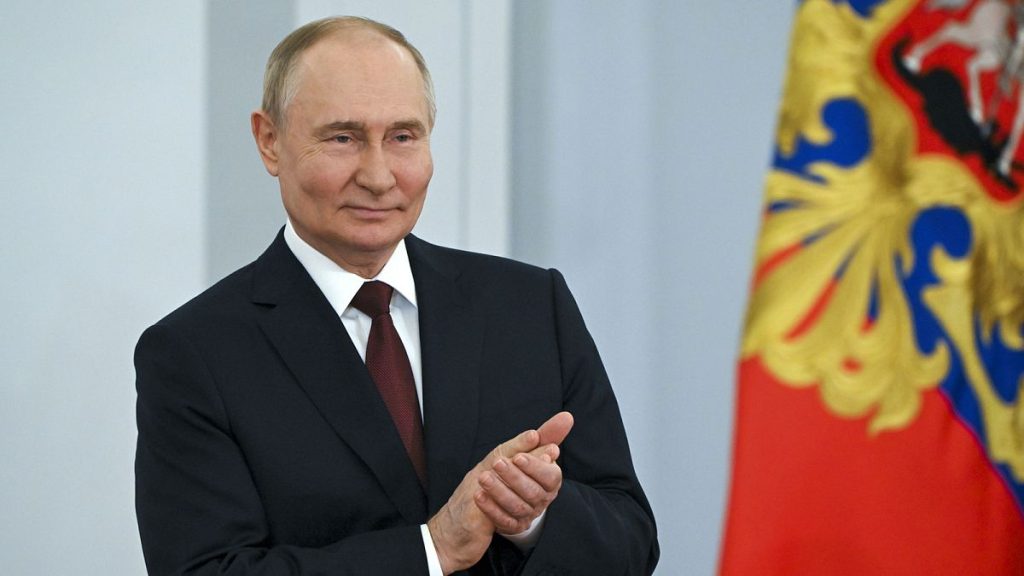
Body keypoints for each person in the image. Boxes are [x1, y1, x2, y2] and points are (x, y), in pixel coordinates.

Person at [134, 16, 658, 576]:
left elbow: (632, 540)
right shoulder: (195, 352)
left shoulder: (530, 305)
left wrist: (532, 518)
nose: (380, 176)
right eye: (343, 138)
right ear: (270, 141)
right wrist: (432, 549)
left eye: (403, 137)